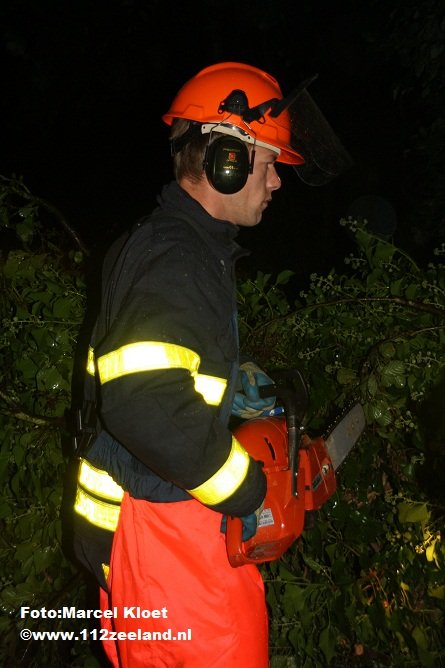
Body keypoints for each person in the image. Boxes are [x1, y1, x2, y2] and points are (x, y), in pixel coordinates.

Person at [71, 62, 306, 668]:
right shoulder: (177, 253)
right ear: (227, 160)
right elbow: (145, 402)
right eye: (269, 162)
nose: (276, 182)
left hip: (166, 533)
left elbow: (152, 370)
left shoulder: (181, 246)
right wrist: (245, 488)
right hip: (172, 539)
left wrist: (228, 386)